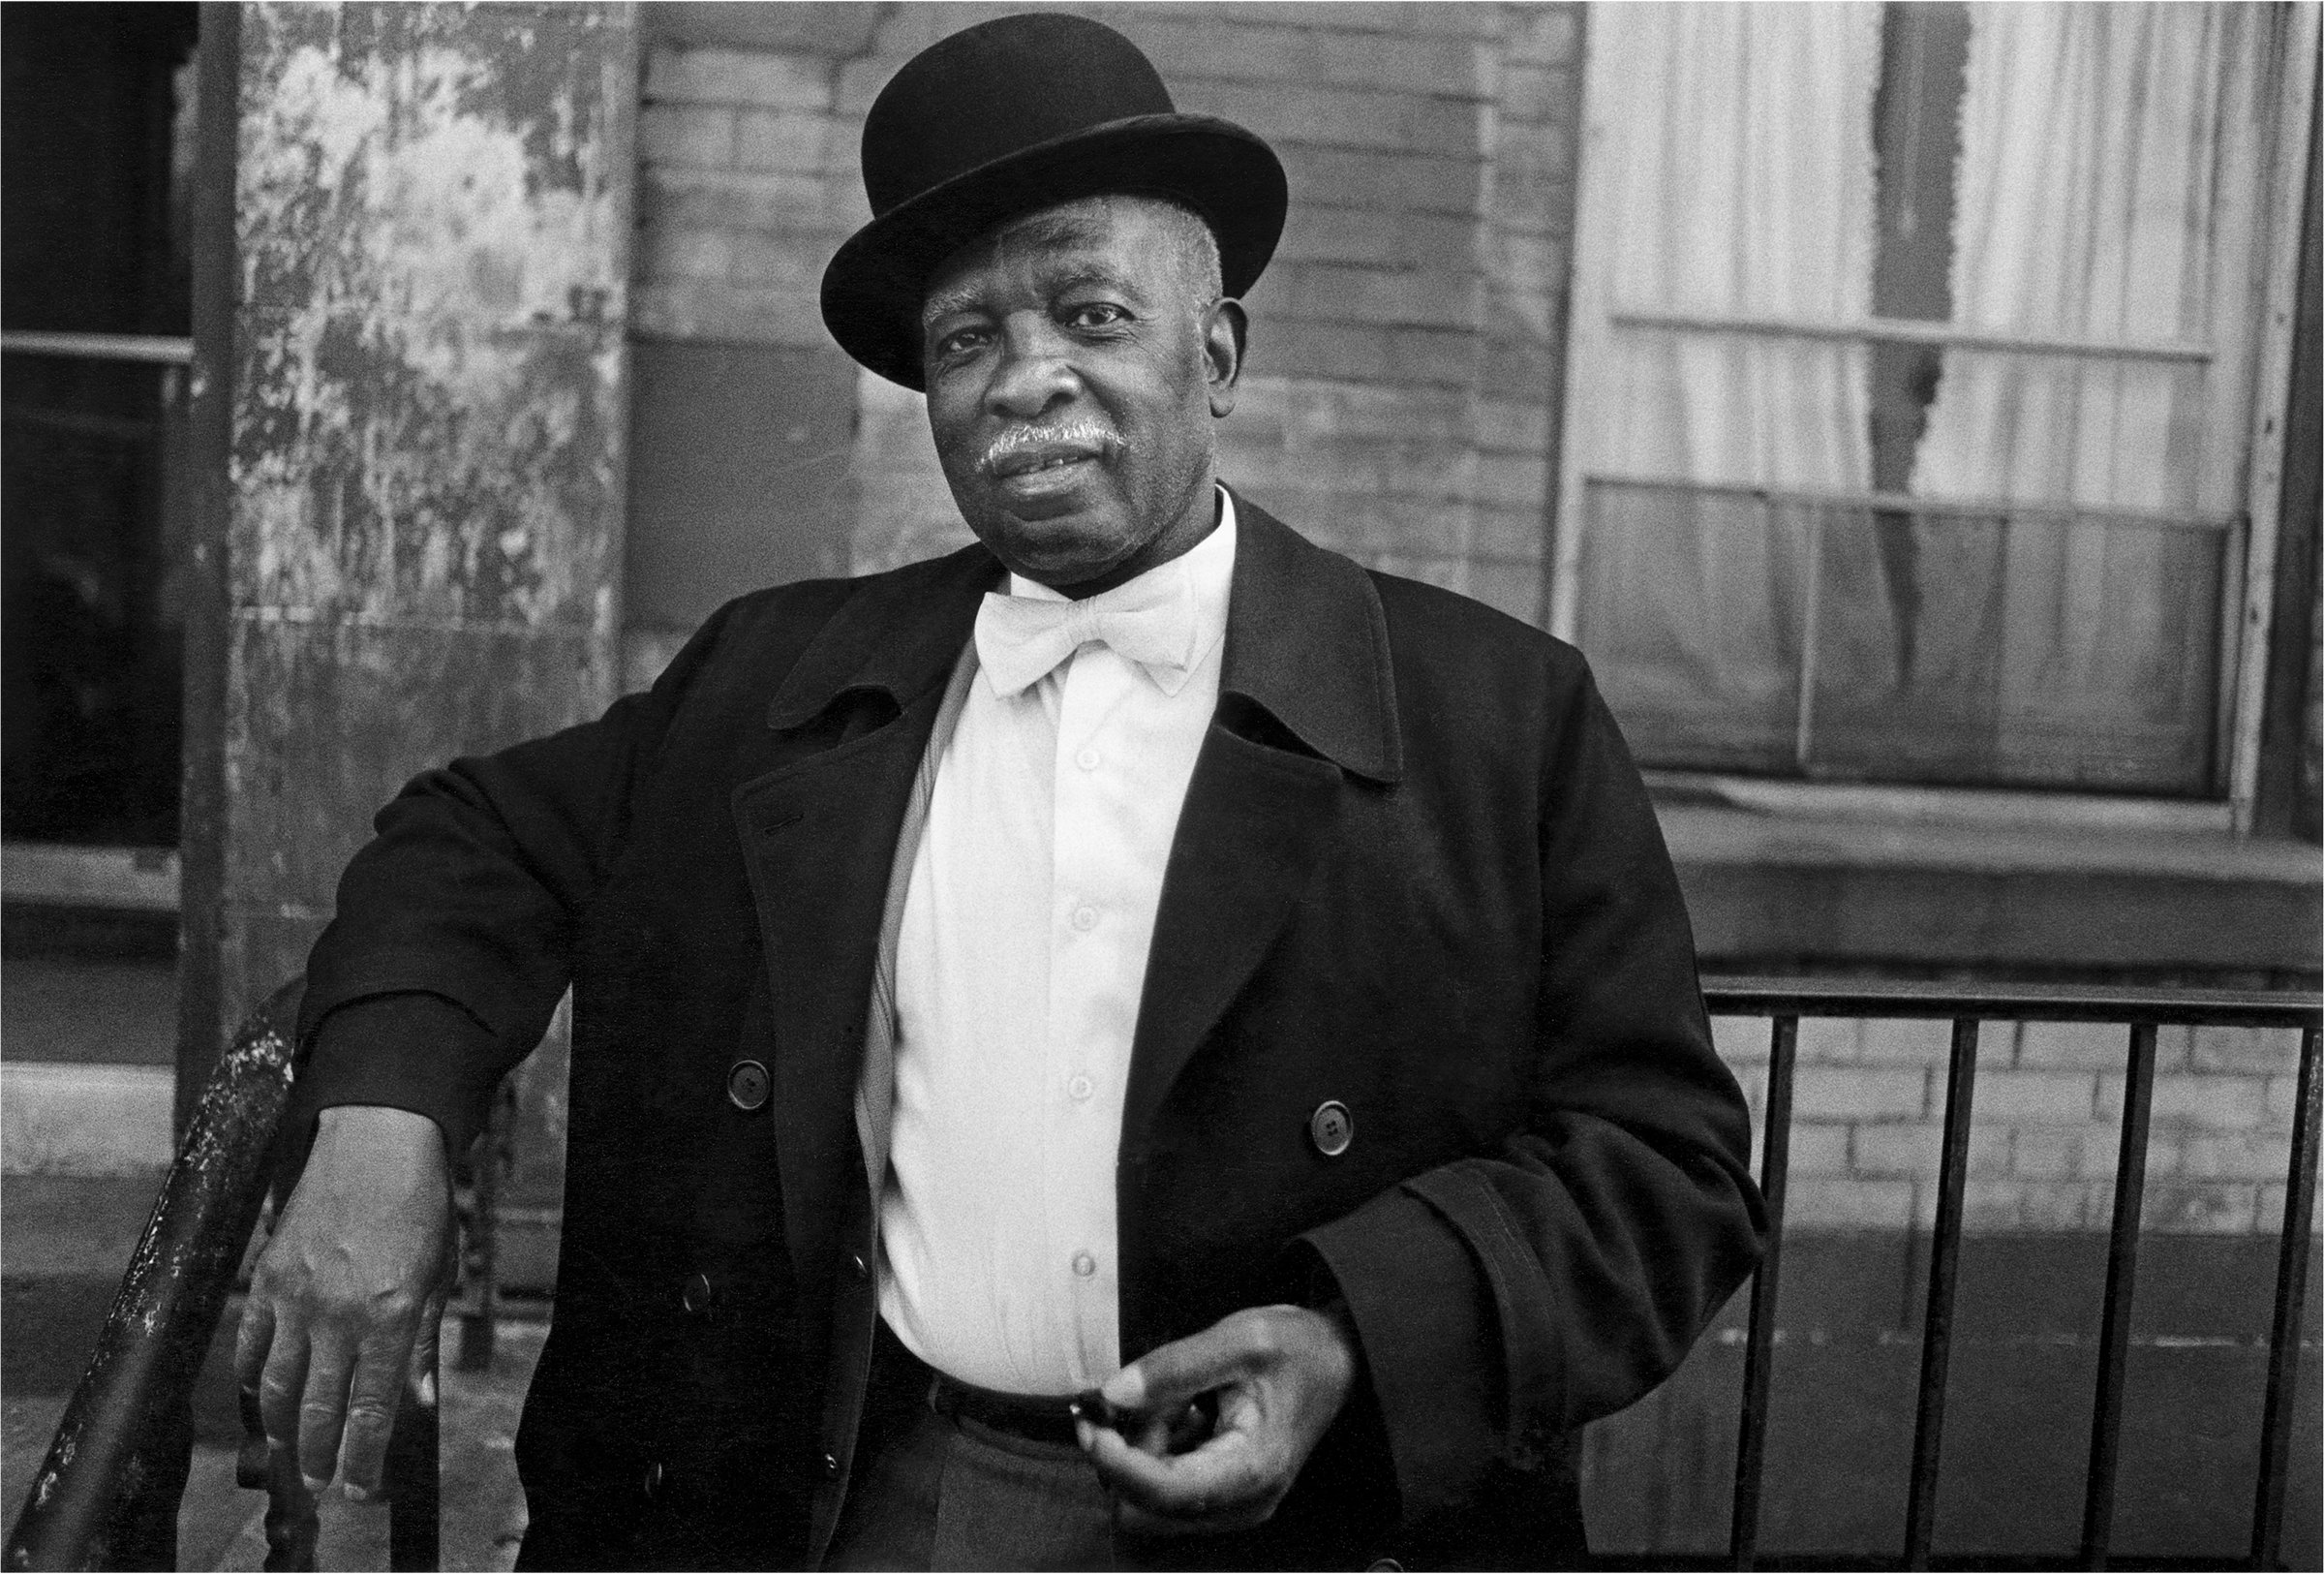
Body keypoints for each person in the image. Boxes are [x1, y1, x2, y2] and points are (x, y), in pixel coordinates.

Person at [235, 14, 1763, 1570]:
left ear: (1216, 354)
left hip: (1318, 1522)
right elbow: (475, 835)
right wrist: (383, 1112)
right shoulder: (774, 678)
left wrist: (1355, 1338)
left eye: (1091, 313)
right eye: (967, 340)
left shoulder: (1499, 718)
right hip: (879, 1494)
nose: (1027, 378)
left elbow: (1670, 1166)